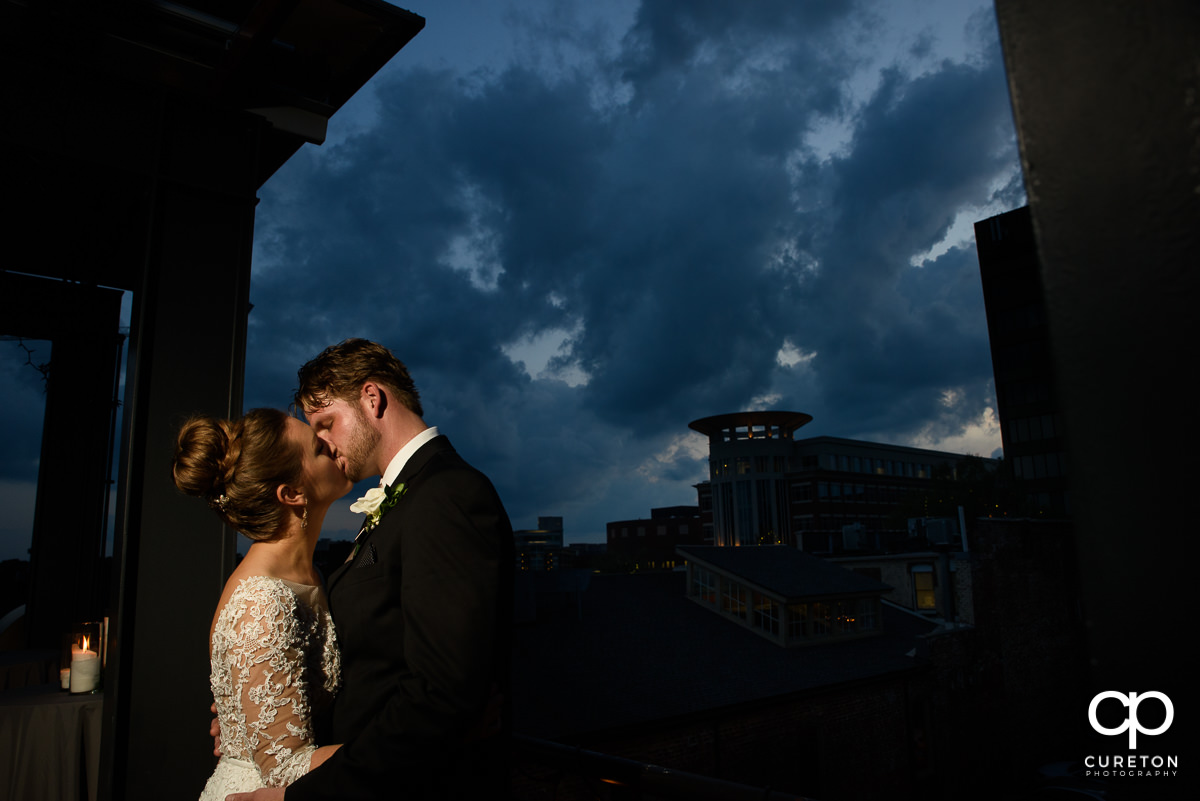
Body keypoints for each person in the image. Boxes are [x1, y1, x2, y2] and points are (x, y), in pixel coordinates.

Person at [229, 339, 514, 801]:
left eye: (326, 423)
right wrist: (257, 711)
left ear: (371, 398)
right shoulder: (405, 498)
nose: (322, 441)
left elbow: (441, 694)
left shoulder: (447, 494)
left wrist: (302, 796)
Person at [174, 408, 355, 800]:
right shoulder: (261, 603)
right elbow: (285, 768)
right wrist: (414, 747)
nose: (333, 444)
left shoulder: (312, 576)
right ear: (292, 494)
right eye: (318, 448)